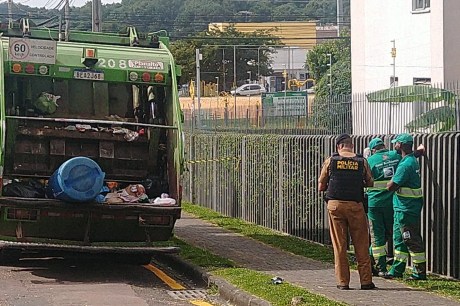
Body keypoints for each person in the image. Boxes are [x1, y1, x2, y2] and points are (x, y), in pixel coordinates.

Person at [318, 133, 376, 290]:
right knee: (362, 244)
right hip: (356, 206)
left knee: (340, 245)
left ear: (339, 146)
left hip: (335, 206)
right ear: (352, 146)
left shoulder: (331, 161)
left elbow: (321, 186)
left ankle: (343, 283)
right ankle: (366, 282)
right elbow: (370, 182)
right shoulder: (361, 161)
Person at [383, 133, 426, 280]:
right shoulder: (411, 159)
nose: (394, 145)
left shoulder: (405, 165)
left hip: (406, 209)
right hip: (402, 208)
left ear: (400, 145)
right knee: (399, 239)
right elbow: (414, 153)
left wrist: (386, 181)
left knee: (410, 239)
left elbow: (391, 186)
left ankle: (419, 273)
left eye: (396, 143)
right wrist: (421, 150)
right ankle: (397, 270)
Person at [366, 137, 402, 276]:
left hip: (374, 204)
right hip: (392, 203)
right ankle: (370, 260)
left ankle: (380, 267)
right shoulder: (395, 156)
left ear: (373, 149)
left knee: (377, 236)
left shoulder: (369, 161)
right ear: (384, 146)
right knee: (389, 233)